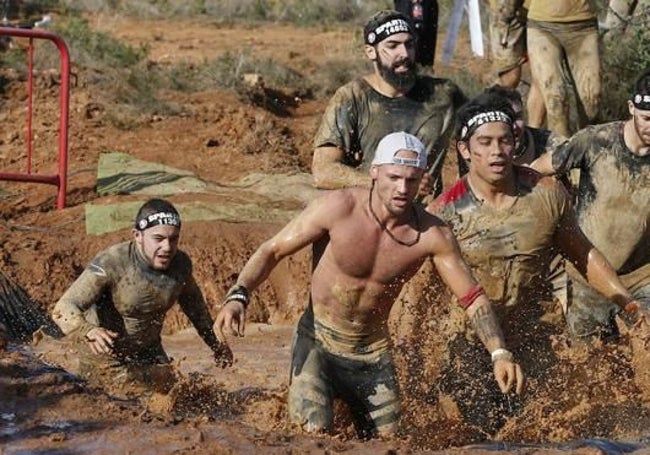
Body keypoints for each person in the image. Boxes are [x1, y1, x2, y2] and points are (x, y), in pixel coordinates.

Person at [216, 132, 523, 439]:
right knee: (311, 437)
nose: (402, 189)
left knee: (391, 444)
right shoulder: (338, 207)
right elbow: (273, 250)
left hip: (372, 355)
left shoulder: (432, 235)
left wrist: (499, 352)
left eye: (412, 180)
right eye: (394, 177)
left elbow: (472, 297)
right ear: (374, 172)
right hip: (318, 342)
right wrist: (239, 295)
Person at [426, 95, 646, 435]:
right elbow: (423, 288)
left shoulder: (546, 193)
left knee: (544, 431)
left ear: (516, 143)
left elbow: (584, 254)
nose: (498, 151)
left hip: (535, 334)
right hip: (469, 341)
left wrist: (626, 302)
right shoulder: (445, 212)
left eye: (505, 141)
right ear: (465, 150)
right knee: (477, 435)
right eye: (485, 142)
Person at [52, 198, 232, 394]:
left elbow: (196, 310)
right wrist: (88, 331)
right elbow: (63, 309)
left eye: (174, 239)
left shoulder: (181, 264)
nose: (167, 247)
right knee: (129, 408)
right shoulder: (112, 262)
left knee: (176, 399)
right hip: (106, 354)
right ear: (138, 235)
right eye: (158, 239)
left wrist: (216, 345)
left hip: (149, 350)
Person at [531, 70, 650, 340]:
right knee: (590, 364)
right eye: (647, 119)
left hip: (643, 275)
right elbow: (537, 171)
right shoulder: (595, 141)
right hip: (587, 272)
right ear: (632, 108)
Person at [311, 9, 466, 199]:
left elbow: (481, 139)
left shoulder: (444, 95)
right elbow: (323, 171)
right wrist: (390, 184)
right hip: (367, 210)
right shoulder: (352, 97)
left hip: (425, 216)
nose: (404, 54)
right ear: (371, 52)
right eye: (392, 46)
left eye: (409, 45)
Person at [526, 0, 601, 137]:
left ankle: (589, 150)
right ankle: (559, 153)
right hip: (541, 25)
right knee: (555, 100)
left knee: (592, 100)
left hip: (583, 25)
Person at [393, 0, 438, 68]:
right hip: (406, 4)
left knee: (428, 36)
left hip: (426, 5)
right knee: (405, 32)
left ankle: (425, 67)